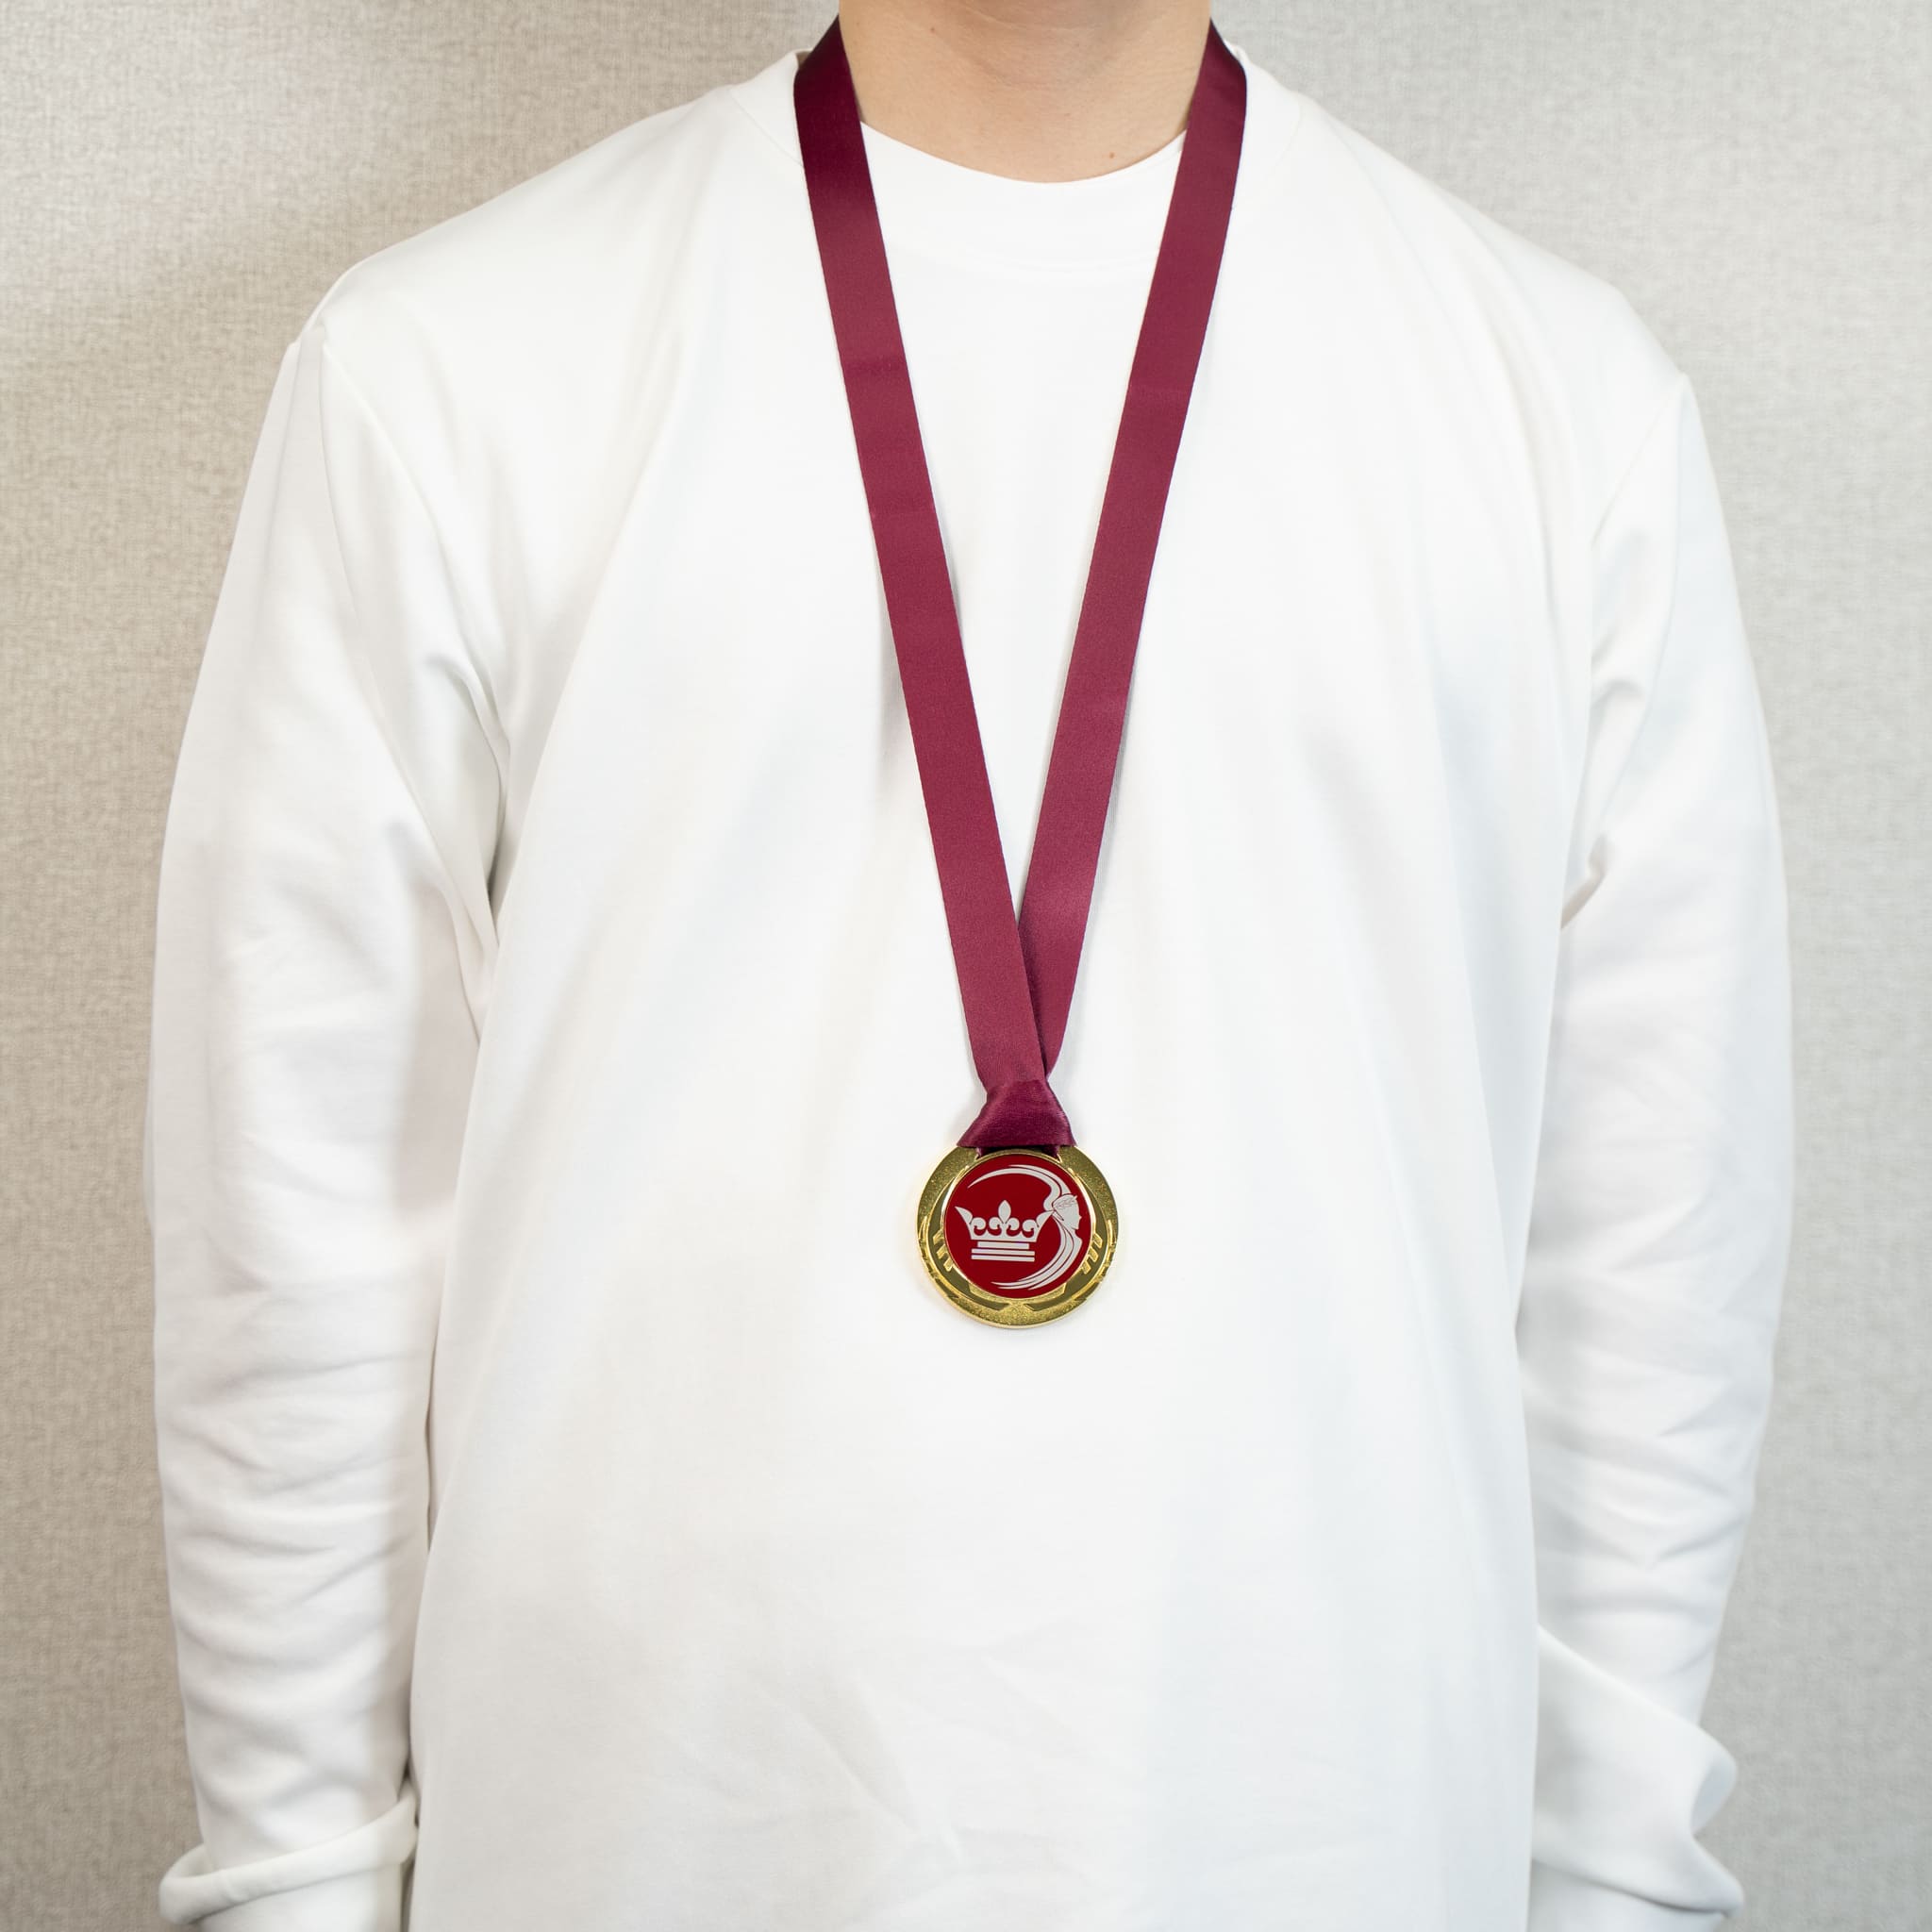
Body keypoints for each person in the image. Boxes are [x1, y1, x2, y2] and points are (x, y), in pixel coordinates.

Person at [142, 2, 1794, 1928]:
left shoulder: (1567, 410)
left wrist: (1611, 1886)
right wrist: (291, 1887)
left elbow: (1646, 1273)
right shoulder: (445, 370)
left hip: (1341, 1846)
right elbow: (300, 1240)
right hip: (630, 1851)